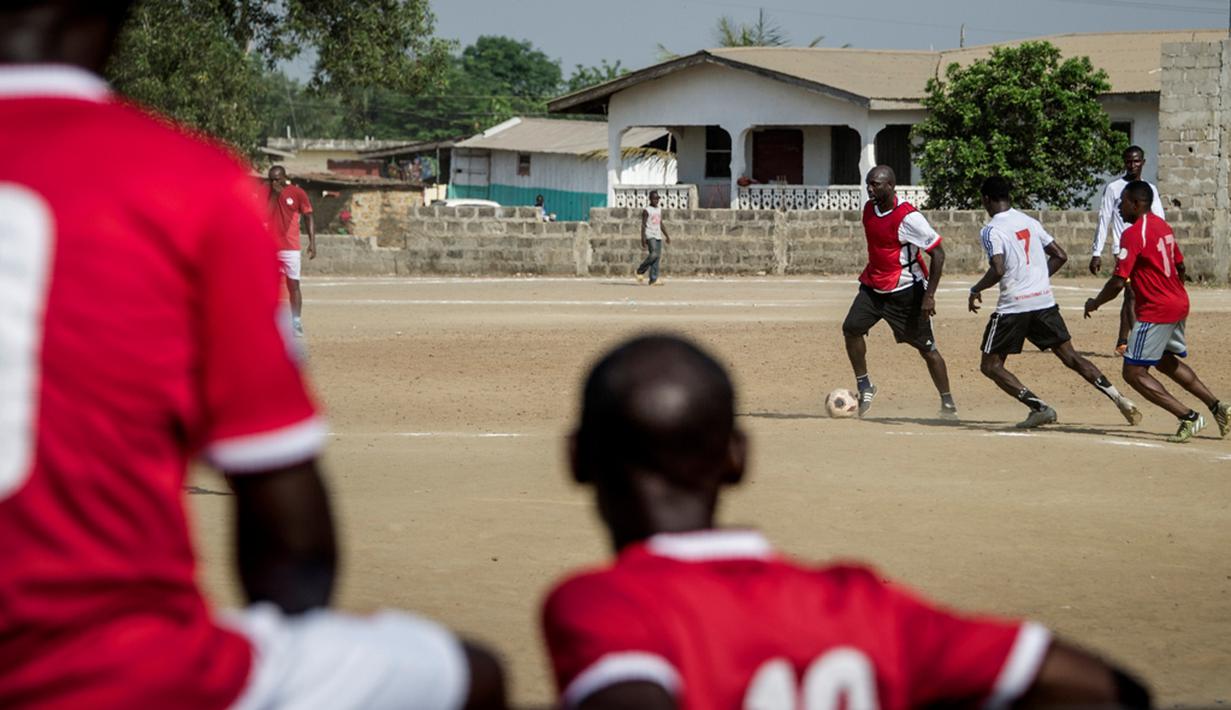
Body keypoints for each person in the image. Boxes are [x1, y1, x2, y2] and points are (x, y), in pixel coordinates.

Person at [0, 3, 506, 708]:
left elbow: (304, 216)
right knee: (470, 674)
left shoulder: (280, 192)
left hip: (290, 253)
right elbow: (290, 538)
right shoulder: (187, 178)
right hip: (106, 664)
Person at [542, 334, 1152, 710]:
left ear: (576, 460)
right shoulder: (861, 604)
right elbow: (1105, 687)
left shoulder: (602, 606)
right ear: (738, 458)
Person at [969, 177, 1142, 429]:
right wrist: (1037, 278)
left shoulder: (991, 230)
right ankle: (1119, 398)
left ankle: (1040, 408)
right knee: (1071, 356)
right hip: (1043, 302)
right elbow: (1060, 255)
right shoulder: (1030, 222)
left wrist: (976, 288)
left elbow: (997, 268)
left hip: (1013, 307)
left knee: (991, 365)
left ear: (986, 199)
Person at [1085, 181, 1231, 443]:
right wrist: (1171, 291)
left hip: (1156, 310)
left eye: (1124, 201)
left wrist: (1095, 303)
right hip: (1177, 303)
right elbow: (1181, 265)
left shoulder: (1132, 234)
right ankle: (1218, 407)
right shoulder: (1162, 225)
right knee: (1165, 362)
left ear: (1137, 203)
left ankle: (1188, 417)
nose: (1120, 206)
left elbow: (1119, 281)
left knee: (1133, 372)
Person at [842, 165, 956, 418]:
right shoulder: (869, 209)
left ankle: (948, 403)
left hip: (906, 291)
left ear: (891, 186)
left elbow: (938, 253)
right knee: (851, 328)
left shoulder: (909, 217)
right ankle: (864, 384)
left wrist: (929, 296)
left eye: (876, 184)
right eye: (868, 183)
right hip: (873, 286)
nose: (870, 188)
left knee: (927, 350)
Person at [1089, 146, 1166, 356]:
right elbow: (1104, 219)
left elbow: (1159, 218)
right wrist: (1097, 252)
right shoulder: (1114, 188)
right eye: (1129, 162)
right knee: (1132, 293)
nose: (1132, 165)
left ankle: (1122, 341)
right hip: (1123, 248)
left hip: (1146, 248)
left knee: (1133, 295)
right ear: (1124, 162)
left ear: (1143, 162)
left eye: (1136, 161)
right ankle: (1137, 344)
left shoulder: (1149, 189)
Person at [266, 164, 315, 337]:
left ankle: (296, 322)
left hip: (291, 248)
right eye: (270, 180)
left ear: (284, 177)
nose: (273, 183)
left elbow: (308, 216)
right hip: (270, 247)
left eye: (276, 180)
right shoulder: (267, 194)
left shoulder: (297, 193)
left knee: (293, 285)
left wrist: (312, 241)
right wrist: (274, 195)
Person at [636, 190, 670, 285]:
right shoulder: (647, 210)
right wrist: (643, 239)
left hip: (658, 235)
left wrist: (666, 235)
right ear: (650, 199)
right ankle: (640, 270)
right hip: (650, 235)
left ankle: (653, 279)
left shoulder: (658, 210)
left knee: (657, 258)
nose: (656, 200)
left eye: (657, 198)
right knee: (654, 254)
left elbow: (660, 223)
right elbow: (643, 225)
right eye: (654, 198)